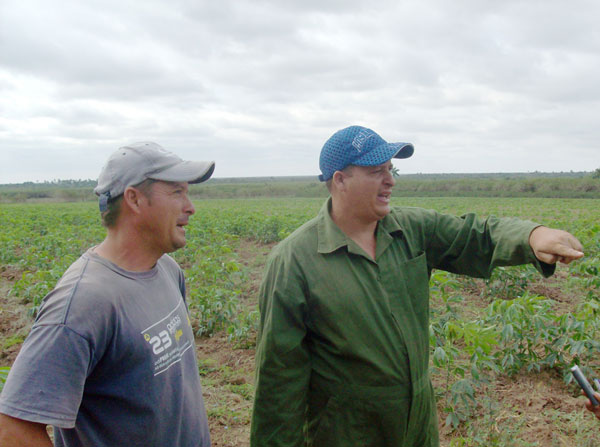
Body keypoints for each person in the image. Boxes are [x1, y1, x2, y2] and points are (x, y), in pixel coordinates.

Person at [250, 125, 584, 447]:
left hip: (417, 426)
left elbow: (474, 235)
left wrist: (532, 236)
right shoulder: (294, 261)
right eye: (376, 171)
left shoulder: (411, 229)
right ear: (340, 180)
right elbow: (278, 382)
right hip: (347, 432)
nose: (390, 181)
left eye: (391, 169)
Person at [0, 142, 215, 447]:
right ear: (135, 199)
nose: (190, 206)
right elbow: (14, 430)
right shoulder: (84, 304)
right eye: (177, 191)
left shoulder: (167, 270)